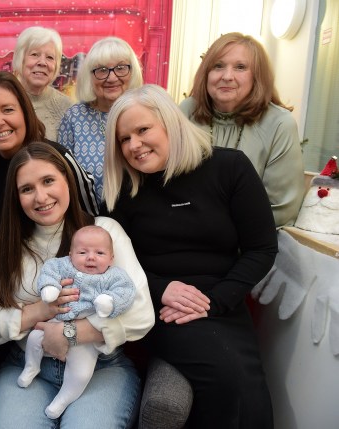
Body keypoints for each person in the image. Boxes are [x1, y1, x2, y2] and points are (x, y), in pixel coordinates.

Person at [102, 84, 278, 429]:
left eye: (142, 130)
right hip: (159, 309)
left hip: (222, 302)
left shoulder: (230, 168)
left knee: (247, 382)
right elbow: (111, 265)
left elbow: (262, 248)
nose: (134, 145)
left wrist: (214, 301)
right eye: (124, 139)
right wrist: (159, 289)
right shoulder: (122, 190)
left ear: (170, 123)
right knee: (227, 378)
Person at [0, 142, 154, 427]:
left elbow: (141, 313)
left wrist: (70, 333)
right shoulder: (7, 245)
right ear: (16, 197)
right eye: (27, 189)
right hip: (27, 364)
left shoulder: (104, 232)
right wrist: (37, 311)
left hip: (100, 368)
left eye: (48, 181)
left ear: (67, 180)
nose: (40, 196)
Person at [0, 71, 99, 337]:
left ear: (25, 112)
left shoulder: (56, 158)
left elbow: (90, 213)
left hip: (53, 260)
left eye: (7, 110)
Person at [179, 32, 305, 227]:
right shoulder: (186, 111)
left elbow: (281, 209)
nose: (227, 76)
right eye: (218, 66)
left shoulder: (280, 124)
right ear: (206, 73)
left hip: (247, 243)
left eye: (240, 67)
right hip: (183, 233)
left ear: (257, 76)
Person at [18, 225, 136, 419]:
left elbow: (126, 292)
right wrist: (50, 287)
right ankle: (32, 366)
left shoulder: (113, 275)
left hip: (85, 338)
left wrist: (109, 302)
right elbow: (50, 271)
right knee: (33, 340)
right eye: (82, 252)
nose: (91, 257)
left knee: (81, 374)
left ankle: (64, 398)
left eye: (99, 252)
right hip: (55, 321)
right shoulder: (63, 265)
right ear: (71, 254)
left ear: (111, 258)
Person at [58, 37, 143, 202]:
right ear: (89, 76)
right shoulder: (74, 117)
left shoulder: (144, 112)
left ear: (132, 72)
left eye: (120, 68)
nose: (111, 78)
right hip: (88, 217)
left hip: (138, 215)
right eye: (102, 70)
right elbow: (61, 173)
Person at [12, 26, 73, 141]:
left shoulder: (67, 107)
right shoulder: (4, 99)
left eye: (50, 57)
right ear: (21, 59)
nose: (42, 62)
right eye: (35, 54)